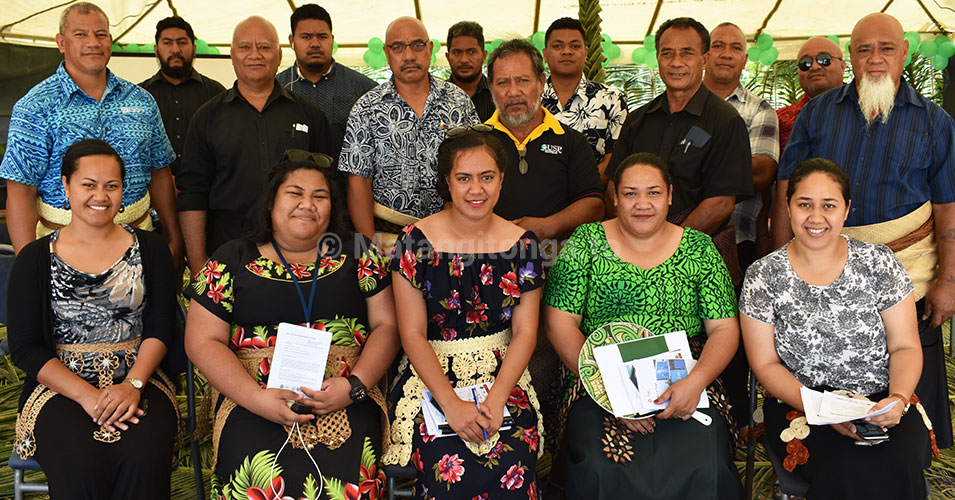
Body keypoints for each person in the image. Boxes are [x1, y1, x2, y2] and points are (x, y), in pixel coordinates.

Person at [771, 12, 955, 449]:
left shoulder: (936, 122)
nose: (875, 59)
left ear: (904, 52)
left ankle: (910, 456)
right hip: (821, 265)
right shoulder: (817, 114)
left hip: (910, 271)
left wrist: (948, 281)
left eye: (886, 49)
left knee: (910, 367)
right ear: (851, 55)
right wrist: (778, 264)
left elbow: (948, 207)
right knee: (816, 366)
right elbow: (786, 190)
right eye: (864, 49)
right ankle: (811, 458)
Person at [185, 157, 399, 499]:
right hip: (254, 401)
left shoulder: (360, 253)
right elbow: (202, 341)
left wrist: (354, 386)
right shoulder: (232, 258)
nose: (307, 204)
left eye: (320, 196)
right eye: (295, 193)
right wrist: (257, 399)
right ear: (271, 203)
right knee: (256, 482)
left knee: (350, 484)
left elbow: (387, 325)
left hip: (346, 398)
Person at [544, 152, 743, 500]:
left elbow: (724, 329)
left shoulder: (699, 249)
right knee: (599, 464)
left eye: (653, 193)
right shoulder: (585, 244)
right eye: (631, 193)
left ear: (669, 195)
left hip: (685, 377)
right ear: (615, 197)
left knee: (704, 464)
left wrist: (695, 383)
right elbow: (560, 324)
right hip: (597, 374)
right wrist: (611, 393)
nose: (642, 204)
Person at [740, 158, 933, 499]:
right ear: (787, 208)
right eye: (804, 205)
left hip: (881, 400)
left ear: (846, 210)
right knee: (847, 463)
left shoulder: (878, 261)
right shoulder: (763, 275)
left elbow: (904, 346)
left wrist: (897, 400)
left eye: (829, 205)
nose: (816, 218)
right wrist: (820, 409)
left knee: (899, 456)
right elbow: (765, 364)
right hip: (801, 403)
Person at [9, 139, 179, 499]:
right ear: (66, 187)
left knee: (144, 452)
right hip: (60, 385)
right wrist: (87, 396)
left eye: (111, 186)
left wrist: (132, 386)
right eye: (88, 185)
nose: (100, 196)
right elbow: (25, 347)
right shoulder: (35, 259)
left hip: (139, 376)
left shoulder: (151, 249)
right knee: (80, 456)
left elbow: (162, 327)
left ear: (123, 191)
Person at [384, 128, 544, 499]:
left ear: (501, 180)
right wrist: (451, 405)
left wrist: (498, 399)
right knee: (446, 468)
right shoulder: (414, 242)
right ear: (447, 182)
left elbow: (525, 333)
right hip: (431, 376)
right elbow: (411, 334)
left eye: (487, 177)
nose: (477, 189)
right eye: (464, 178)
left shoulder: (524, 244)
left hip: (502, 376)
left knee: (514, 459)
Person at [1, 2, 183, 267]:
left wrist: (174, 238)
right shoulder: (35, 106)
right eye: (80, 34)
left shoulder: (142, 100)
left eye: (100, 35)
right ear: (61, 42)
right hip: (61, 250)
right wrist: (28, 264)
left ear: (110, 40)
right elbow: (20, 190)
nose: (93, 42)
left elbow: (160, 173)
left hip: (139, 245)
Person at [176, 16, 334, 274]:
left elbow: (330, 187)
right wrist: (197, 265)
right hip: (227, 250)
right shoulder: (206, 118)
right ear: (232, 55)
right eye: (245, 47)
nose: (255, 55)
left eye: (264, 46)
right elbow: (192, 194)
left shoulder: (309, 114)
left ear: (280, 54)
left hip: (298, 254)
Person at [605, 17, 752, 286]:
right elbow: (615, 187)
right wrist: (632, 244)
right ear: (658, 58)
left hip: (698, 254)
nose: (676, 62)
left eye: (687, 53)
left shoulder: (725, 121)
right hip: (633, 254)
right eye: (667, 53)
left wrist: (666, 249)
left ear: (704, 59)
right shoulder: (638, 120)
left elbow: (720, 203)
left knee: (700, 329)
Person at [339, 16, 480, 247]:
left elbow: (477, 166)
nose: (409, 56)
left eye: (417, 45)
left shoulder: (458, 101)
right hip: (388, 239)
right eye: (398, 47)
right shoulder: (366, 108)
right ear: (386, 53)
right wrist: (369, 248)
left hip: (453, 236)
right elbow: (358, 181)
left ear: (430, 48)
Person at [486, 39, 604, 242]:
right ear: (491, 88)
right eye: (503, 82)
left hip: (558, 260)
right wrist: (491, 228)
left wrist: (547, 227)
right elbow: (452, 203)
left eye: (523, 80)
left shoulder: (571, 141)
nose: (513, 92)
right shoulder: (475, 142)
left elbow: (594, 204)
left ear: (541, 83)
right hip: (488, 260)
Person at [703, 22, 779, 269]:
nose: (726, 54)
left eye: (735, 48)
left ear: (745, 60)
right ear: (705, 55)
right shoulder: (680, 105)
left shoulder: (760, 110)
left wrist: (693, 165)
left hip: (738, 239)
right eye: (718, 46)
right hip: (672, 235)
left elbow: (761, 173)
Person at [277, 4, 377, 154]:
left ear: (332, 39)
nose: (315, 44)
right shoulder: (277, 89)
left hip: (345, 177)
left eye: (322, 37)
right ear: (292, 41)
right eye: (306, 37)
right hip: (290, 176)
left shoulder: (364, 89)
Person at [541, 17, 628, 184]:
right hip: (535, 199)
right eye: (558, 46)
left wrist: (579, 189)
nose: (567, 51)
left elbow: (614, 160)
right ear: (545, 54)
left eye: (575, 46)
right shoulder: (529, 99)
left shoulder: (611, 99)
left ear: (586, 53)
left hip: (591, 198)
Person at [140, 16, 226, 177]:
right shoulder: (140, 96)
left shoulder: (216, 93)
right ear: (156, 49)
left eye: (182, 42)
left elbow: (228, 145)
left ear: (194, 48)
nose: (175, 49)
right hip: (153, 190)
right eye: (167, 43)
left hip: (206, 191)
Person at [776, 37, 846, 151]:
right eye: (805, 63)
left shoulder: (868, 111)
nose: (814, 67)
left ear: (843, 66)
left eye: (824, 59)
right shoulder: (779, 120)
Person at [446, 21, 495, 121]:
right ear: (447, 57)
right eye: (457, 52)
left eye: (472, 52)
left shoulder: (498, 95)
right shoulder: (435, 99)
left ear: (484, 56)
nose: (464, 60)